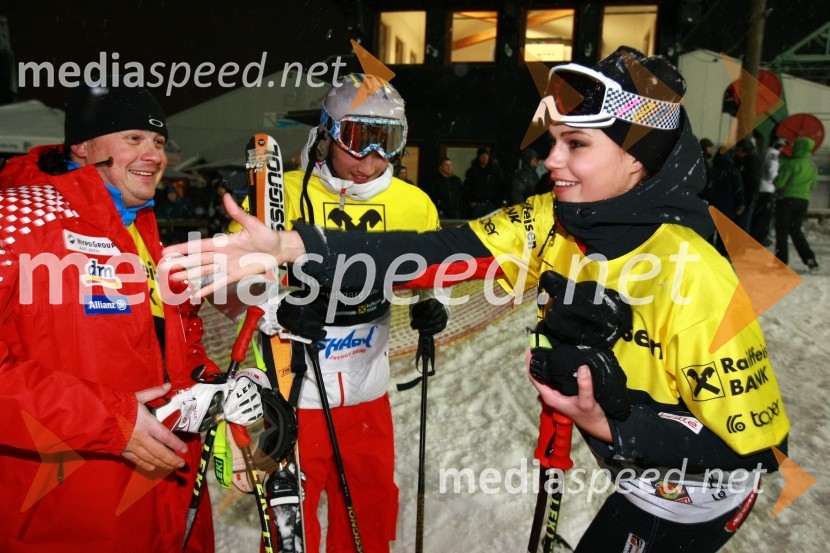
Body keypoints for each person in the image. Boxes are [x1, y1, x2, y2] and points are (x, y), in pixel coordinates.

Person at [165, 47, 789, 552]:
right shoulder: (553, 218)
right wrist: (292, 246)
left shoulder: (693, 273)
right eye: (555, 141)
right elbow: (440, 248)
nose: (551, 160)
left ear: (637, 161)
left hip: (693, 495)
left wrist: (614, 424)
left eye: (576, 145)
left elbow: (751, 453)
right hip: (630, 473)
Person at [0, 84, 263, 552]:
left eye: (159, 142)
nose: (153, 154)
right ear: (82, 146)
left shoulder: (146, 236)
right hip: (67, 512)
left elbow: (179, 347)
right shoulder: (18, 218)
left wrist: (214, 392)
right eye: (133, 138)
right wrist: (108, 420)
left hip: (164, 498)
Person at [217, 73, 448, 552]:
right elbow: (228, 294)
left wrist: (433, 305)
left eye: (386, 142)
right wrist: (278, 304)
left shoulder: (413, 205)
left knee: (370, 506)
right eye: (357, 139)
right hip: (294, 390)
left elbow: (433, 271)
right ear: (327, 132)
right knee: (290, 518)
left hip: (367, 390)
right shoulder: (278, 194)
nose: (369, 160)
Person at [774, 135, 819, 271]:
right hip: (803, 200)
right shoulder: (812, 166)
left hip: (787, 199)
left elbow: (780, 182)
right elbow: (814, 184)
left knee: (782, 231)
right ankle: (810, 259)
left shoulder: (791, 164)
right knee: (796, 230)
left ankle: (781, 262)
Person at [704, 143, 745, 254]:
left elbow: (706, 186)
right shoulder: (733, 170)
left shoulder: (712, 168)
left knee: (710, 231)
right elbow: (738, 189)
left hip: (712, 203)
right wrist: (741, 204)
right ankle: (722, 252)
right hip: (727, 205)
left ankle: (708, 251)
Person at [751, 137, 786, 246]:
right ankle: (761, 238)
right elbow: (771, 172)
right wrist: (777, 179)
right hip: (767, 188)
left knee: (759, 215)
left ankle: (757, 237)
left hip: (761, 188)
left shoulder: (765, 152)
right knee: (765, 217)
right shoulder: (773, 156)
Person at [463, 146, 506, 218]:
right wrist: (470, 202)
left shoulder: (495, 171)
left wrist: (499, 202)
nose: (485, 157)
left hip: (491, 205)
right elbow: (466, 188)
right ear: (478, 157)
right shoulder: (472, 171)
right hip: (477, 205)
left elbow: (502, 186)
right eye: (482, 155)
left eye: (486, 155)